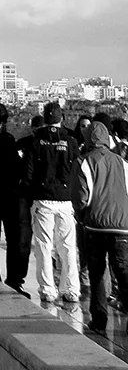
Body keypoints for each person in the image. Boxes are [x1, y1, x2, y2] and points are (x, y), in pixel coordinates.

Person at [72, 120, 128, 336]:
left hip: (95, 226)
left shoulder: (83, 162)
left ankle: (99, 319)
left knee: (97, 274)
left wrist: (82, 217)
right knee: (123, 272)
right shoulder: (122, 162)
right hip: (122, 225)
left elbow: (81, 198)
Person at [22, 100, 80, 306]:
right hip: (65, 200)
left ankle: (48, 289)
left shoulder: (35, 142)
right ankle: (71, 289)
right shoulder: (71, 141)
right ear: (61, 118)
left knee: (44, 247)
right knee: (68, 247)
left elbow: (28, 173)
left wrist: (29, 194)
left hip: (43, 198)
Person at [0, 103, 31, 294]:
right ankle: (12, 280)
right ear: (5, 121)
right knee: (12, 238)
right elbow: (16, 166)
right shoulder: (8, 141)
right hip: (8, 195)